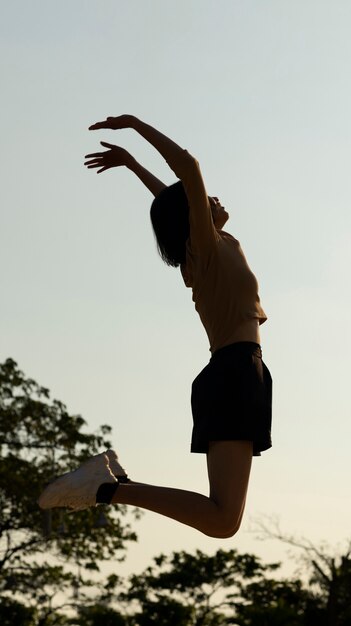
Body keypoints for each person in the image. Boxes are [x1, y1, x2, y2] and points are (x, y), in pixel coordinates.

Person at [38, 115, 272, 538]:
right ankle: (108, 488)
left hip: (239, 372)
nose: (213, 198)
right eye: (202, 201)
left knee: (224, 521)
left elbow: (171, 199)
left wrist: (132, 164)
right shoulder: (203, 250)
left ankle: (110, 486)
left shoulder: (214, 245)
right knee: (222, 521)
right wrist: (134, 125)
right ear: (192, 217)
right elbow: (189, 169)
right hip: (235, 372)